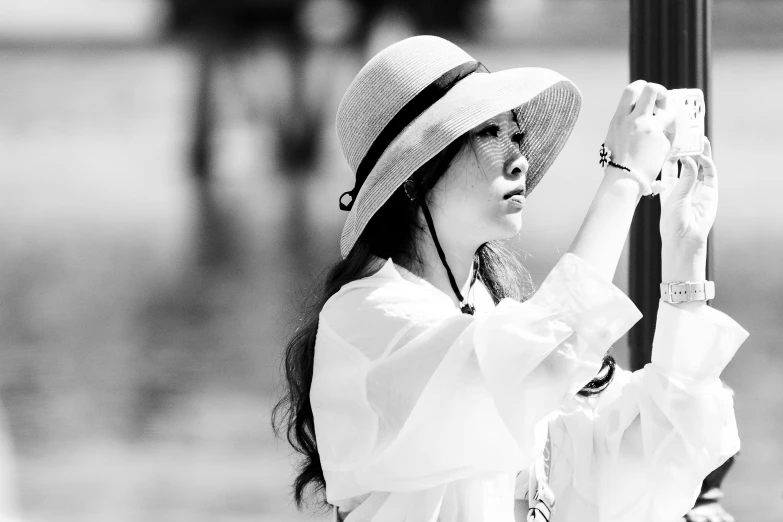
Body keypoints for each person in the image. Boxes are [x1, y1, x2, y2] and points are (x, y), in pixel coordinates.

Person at [272, 35, 750, 522]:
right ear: (413, 175)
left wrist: (685, 257)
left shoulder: (497, 320)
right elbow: (540, 362)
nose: (519, 158)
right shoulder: (365, 318)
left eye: (515, 135)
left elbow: (651, 456)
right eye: (487, 134)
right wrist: (624, 177)